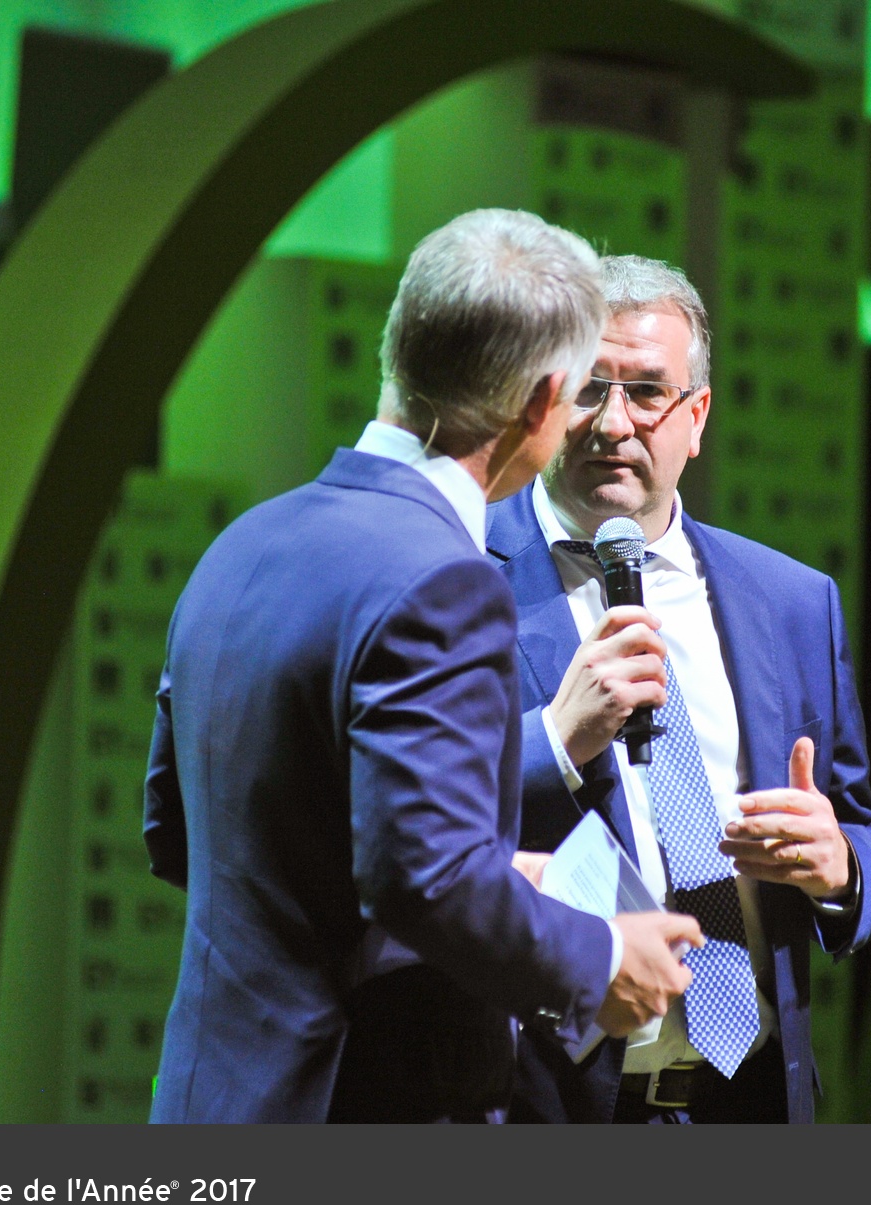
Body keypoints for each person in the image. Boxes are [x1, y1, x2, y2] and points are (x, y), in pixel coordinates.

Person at [144, 211, 702, 1124]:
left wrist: (487, 878)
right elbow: (426, 882)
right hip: (355, 1105)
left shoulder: (243, 544)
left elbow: (178, 831)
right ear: (543, 403)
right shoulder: (445, 578)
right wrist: (600, 956)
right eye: (579, 396)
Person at [487, 254, 871, 1123]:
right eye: (588, 389)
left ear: (697, 416)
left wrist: (837, 868)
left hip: (748, 1101)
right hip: (543, 1103)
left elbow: (864, 832)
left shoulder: (791, 602)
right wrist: (554, 740)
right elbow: (401, 826)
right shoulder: (458, 581)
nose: (614, 423)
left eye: (647, 392)